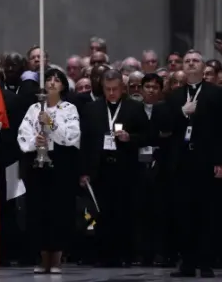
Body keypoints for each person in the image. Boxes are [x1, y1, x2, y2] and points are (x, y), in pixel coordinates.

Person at [79, 69, 150, 267]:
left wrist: (130, 138)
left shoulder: (134, 108)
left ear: (123, 88)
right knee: (101, 213)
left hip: (126, 169)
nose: (111, 93)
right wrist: (83, 171)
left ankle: (125, 254)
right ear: (102, 88)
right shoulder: (91, 109)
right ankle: (103, 255)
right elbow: (85, 141)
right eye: (108, 89)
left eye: (115, 89)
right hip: (99, 169)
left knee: (124, 212)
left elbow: (147, 135)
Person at [163, 50, 222, 278]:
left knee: (207, 213)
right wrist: (181, 112)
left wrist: (219, 160)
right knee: (183, 214)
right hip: (181, 161)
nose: (190, 64)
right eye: (187, 62)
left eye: (195, 61)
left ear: (203, 66)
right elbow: (165, 125)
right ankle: (187, 263)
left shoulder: (216, 94)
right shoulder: (175, 95)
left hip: (206, 160)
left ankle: (206, 263)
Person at [18, 68, 80, 274]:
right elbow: (23, 133)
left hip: (61, 164)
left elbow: (72, 136)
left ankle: (57, 259)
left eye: (57, 80)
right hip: (37, 164)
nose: (52, 83)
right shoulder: (34, 108)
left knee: (59, 211)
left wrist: (51, 124)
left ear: (63, 85)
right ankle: (42, 257)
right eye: (49, 79)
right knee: (38, 210)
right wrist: (35, 141)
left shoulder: (69, 109)